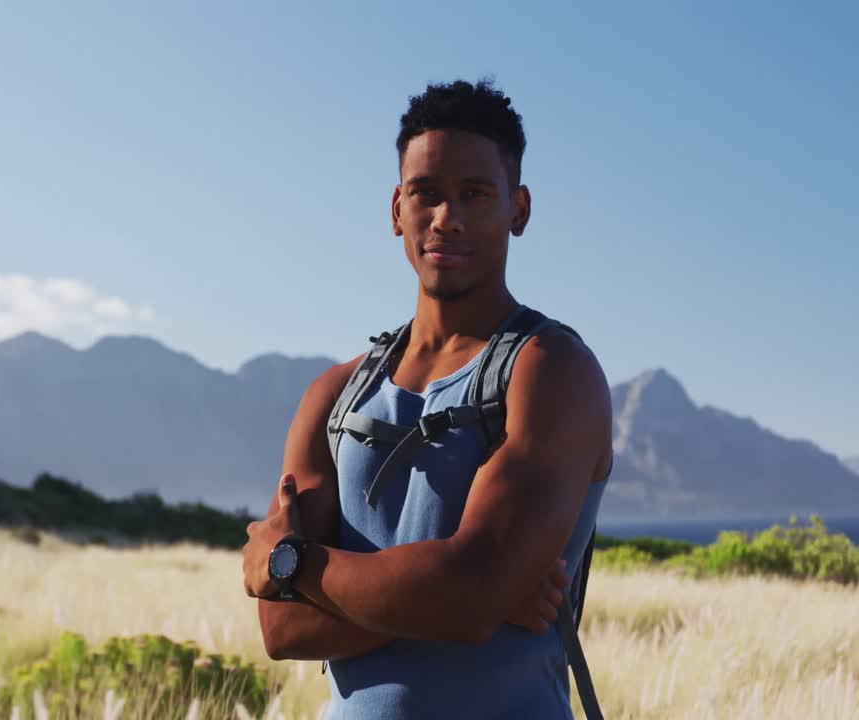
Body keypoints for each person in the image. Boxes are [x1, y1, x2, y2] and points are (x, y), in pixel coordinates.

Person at [242, 78, 613, 719]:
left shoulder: (551, 372)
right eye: (427, 194)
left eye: (474, 193)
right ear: (396, 209)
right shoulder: (334, 395)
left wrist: (291, 563)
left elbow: (467, 596)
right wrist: (461, 600)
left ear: (518, 209)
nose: (447, 217)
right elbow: (283, 632)